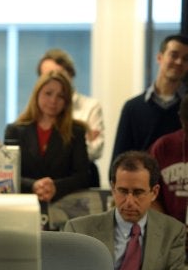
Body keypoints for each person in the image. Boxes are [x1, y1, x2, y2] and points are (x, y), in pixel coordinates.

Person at [63, 151, 186, 270]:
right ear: (113, 188)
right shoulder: (79, 230)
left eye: (138, 192)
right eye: (122, 191)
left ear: (154, 192)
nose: (129, 202)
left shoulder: (173, 232)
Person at [4, 70, 89, 204]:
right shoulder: (15, 130)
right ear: (37, 94)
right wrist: (33, 185)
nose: (53, 100)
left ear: (67, 101)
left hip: (63, 205)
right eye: (48, 93)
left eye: (60, 96)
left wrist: (55, 187)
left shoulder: (76, 132)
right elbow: (6, 173)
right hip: (23, 205)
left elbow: (83, 176)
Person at [112, 34, 188, 163]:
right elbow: (118, 162)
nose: (179, 62)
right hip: (141, 182)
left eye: (186, 59)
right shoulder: (132, 108)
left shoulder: (187, 107)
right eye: (174, 55)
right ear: (159, 57)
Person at [37, 48, 104, 187]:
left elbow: (95, 150)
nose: (54, 80)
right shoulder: (37, 112)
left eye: (59, 74)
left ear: (70, 74)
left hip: (80, 182)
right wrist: (78, 145)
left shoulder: (90, 107)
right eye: (47, 76)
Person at [149, 94, 188, 229]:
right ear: (181, 120)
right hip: (170, 233)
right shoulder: (163, 147)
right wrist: (171, 229)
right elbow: (149, 196)